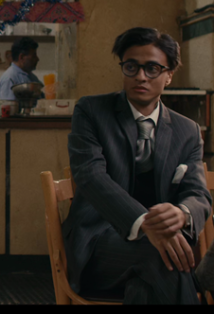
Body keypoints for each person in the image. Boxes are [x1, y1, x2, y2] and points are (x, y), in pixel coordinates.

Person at [62, 27, 212, 304]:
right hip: (98, 243)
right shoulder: (92, 111)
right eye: (131, 67)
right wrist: (145, 224)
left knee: (145, 287)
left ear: (169, 75)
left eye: (152, 68)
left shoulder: (187, 130)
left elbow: (198, 195)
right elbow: (91, 176)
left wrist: (181, 214)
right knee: (166, 258)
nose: (140, 77)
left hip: (162, 247)